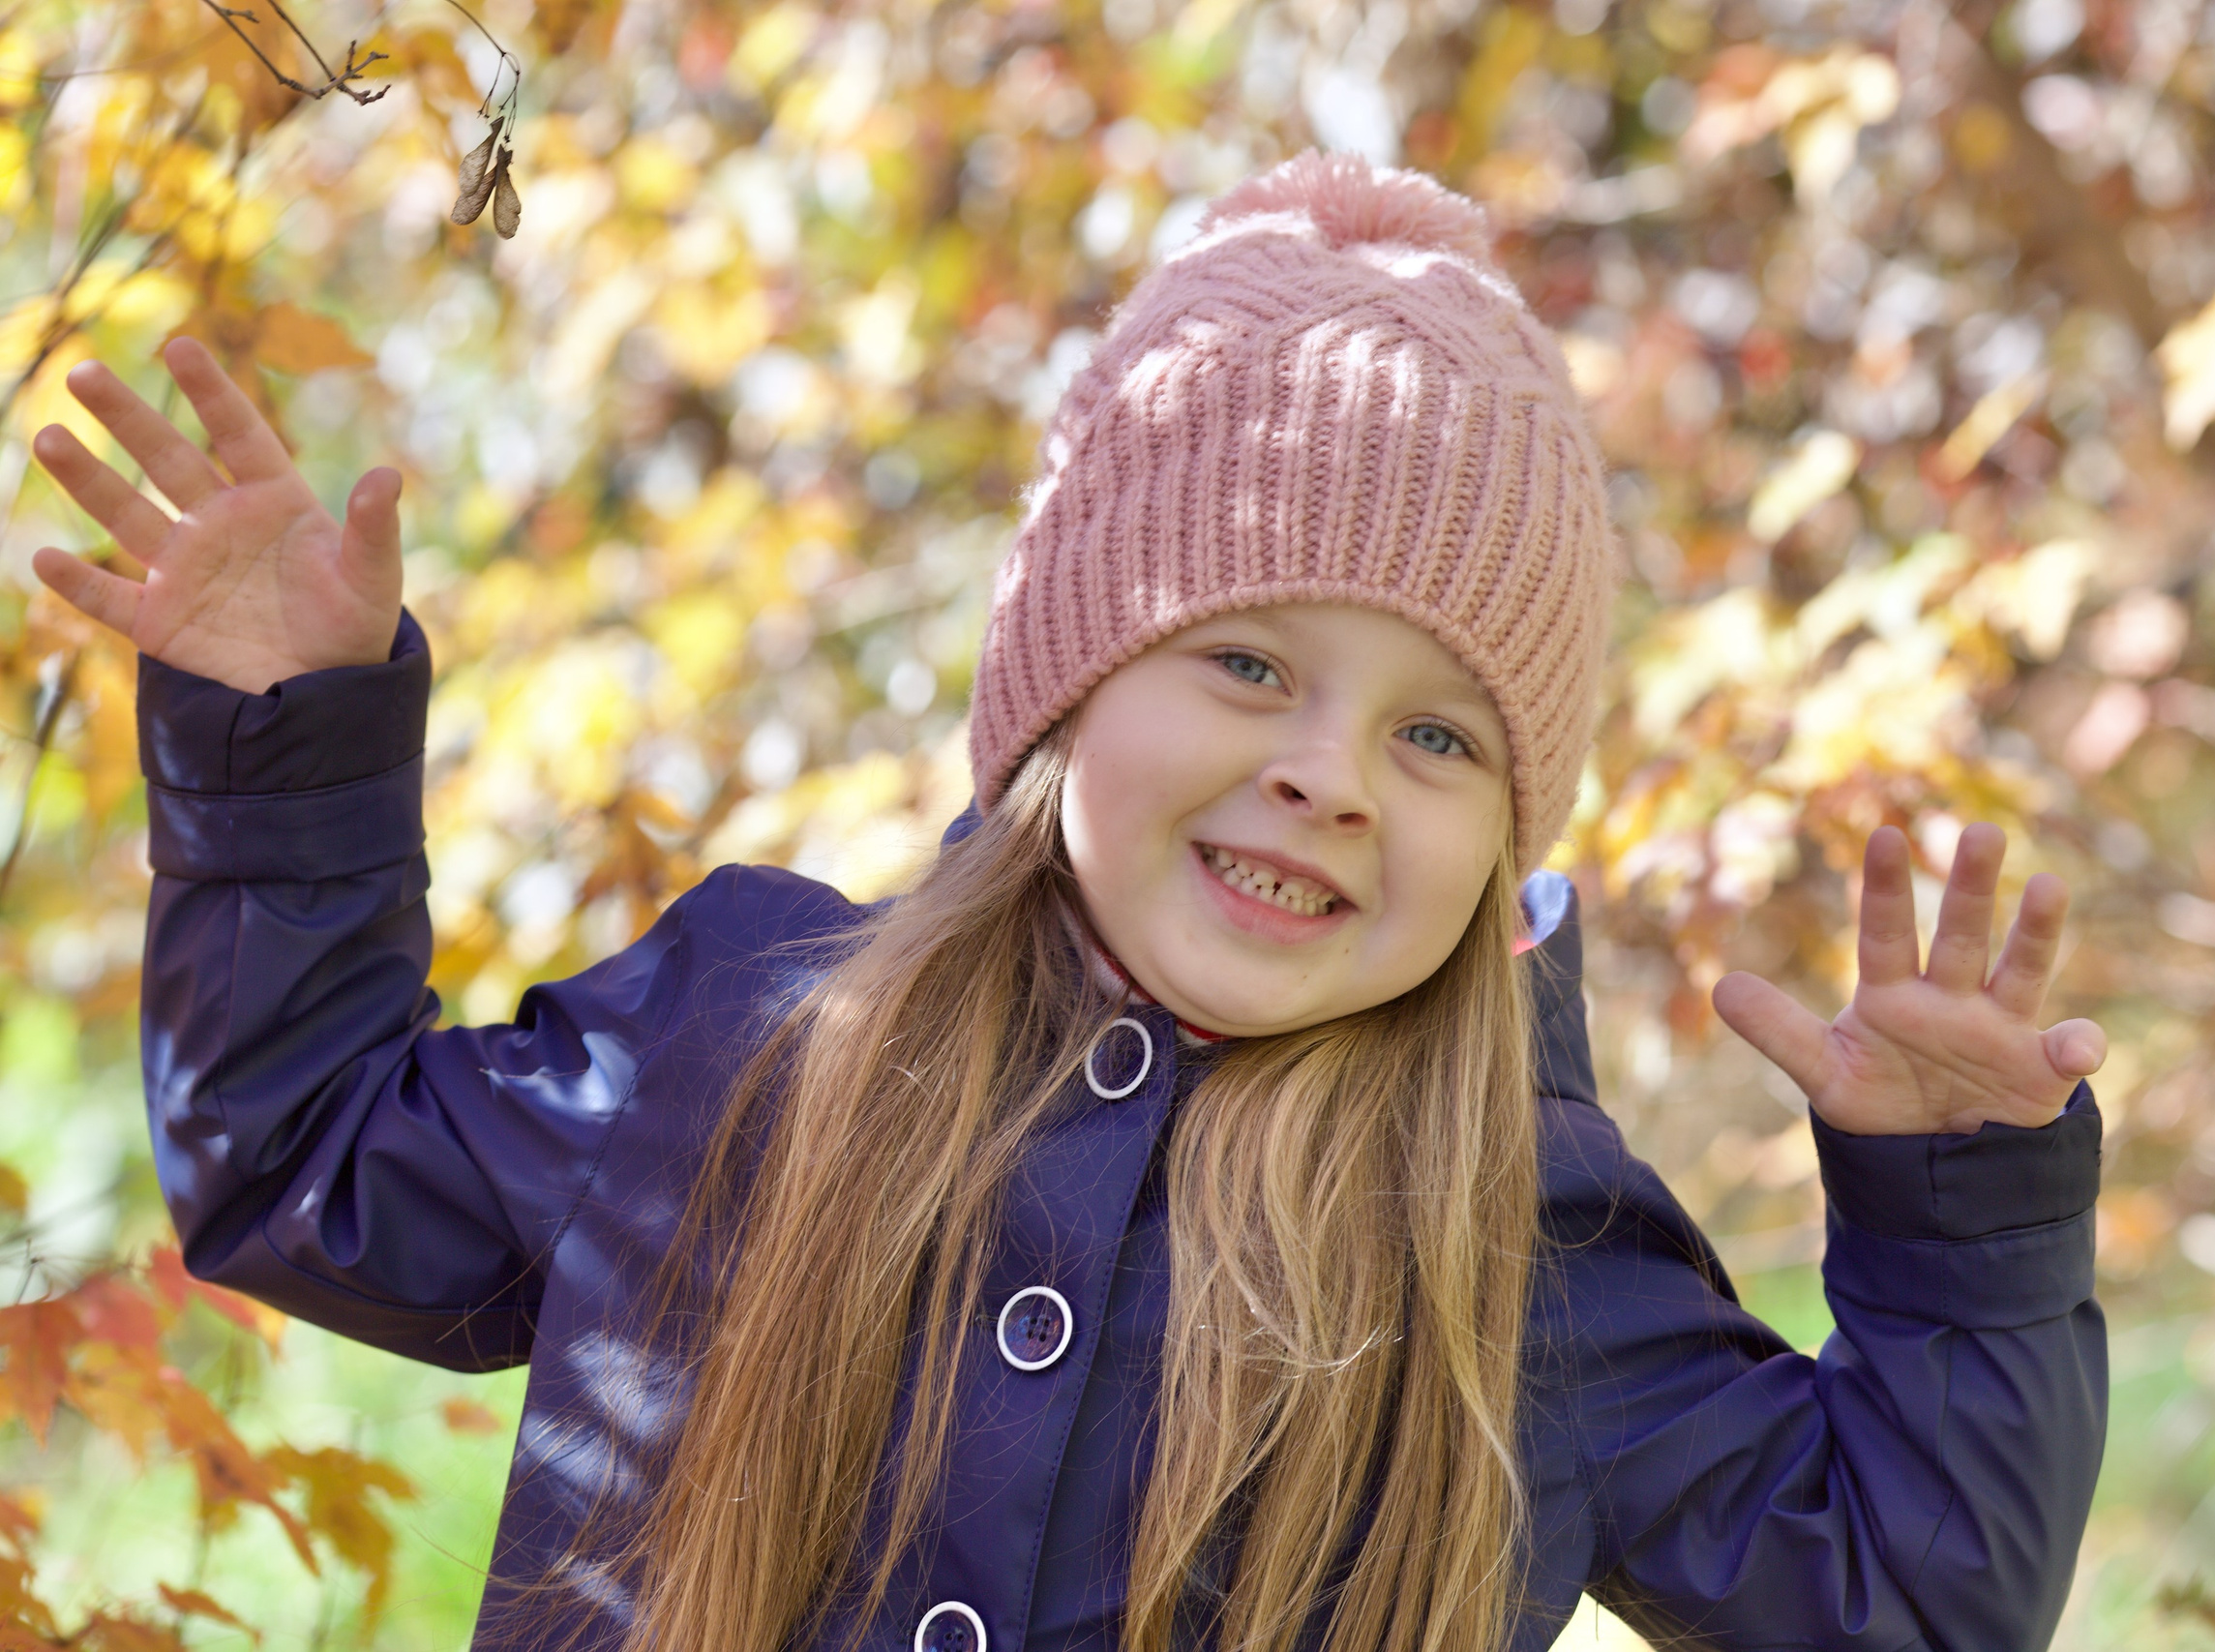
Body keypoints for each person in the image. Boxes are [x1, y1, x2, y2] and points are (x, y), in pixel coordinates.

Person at [31, 151, 2108, 1652]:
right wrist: (282, 739)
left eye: (1438, 739)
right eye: (1246, 662)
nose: (1325, 770)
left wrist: (1962, 1223)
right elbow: (299, 1159)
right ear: (1064, 680)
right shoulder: (752, 1036)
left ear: (1501, 856)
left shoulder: (1513, 1238)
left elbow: (1902, 1596)